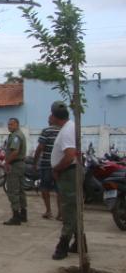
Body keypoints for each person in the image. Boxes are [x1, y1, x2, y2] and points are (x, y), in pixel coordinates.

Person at [49, 101, 81, 260]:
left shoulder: (67, 130)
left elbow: (69, 156)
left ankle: (62, 246)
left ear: (54, 116)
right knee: (73, 209)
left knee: (68, 210)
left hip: (68, 173)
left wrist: (57, 169)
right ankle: (80, 242)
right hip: (67, 173)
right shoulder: (68, 127)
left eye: (51, 114)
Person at [34, 116, 62, 220]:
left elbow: (40, 147)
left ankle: (48, 211)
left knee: (45, 188)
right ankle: (60, 213)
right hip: (59, 165)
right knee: (59, 190)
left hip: (46, 164)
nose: (48, 120)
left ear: (54, 119)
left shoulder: (46, 131)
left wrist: (35, 162)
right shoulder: (62, 131)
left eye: (49, 119)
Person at [3, 117, 27, 225]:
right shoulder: (19, 134)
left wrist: (7, 162)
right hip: (20, 164)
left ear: (17, 125)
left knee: (13, 191)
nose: (9, 126)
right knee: (21, 190)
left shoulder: (16, 136)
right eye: (8, 125)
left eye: (11, 124)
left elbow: (15, 152)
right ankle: (23, 214)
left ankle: (16, 216)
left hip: (15, 165)